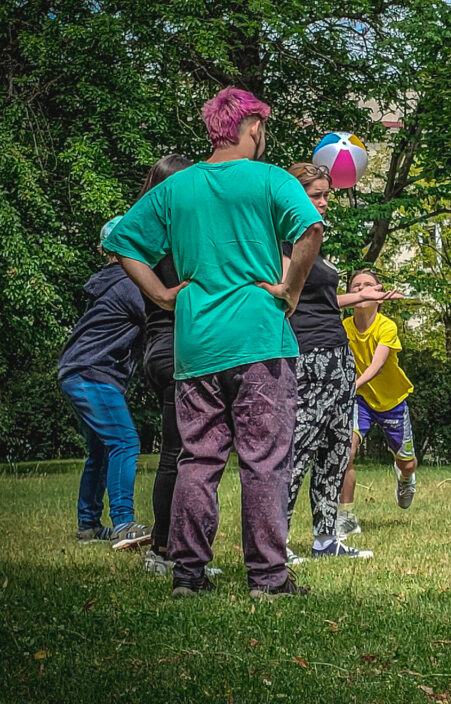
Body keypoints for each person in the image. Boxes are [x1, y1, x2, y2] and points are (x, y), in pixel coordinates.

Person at [104, 87, 324, 599]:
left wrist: (162, 295)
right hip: (259, 341)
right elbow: (311, 230)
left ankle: (187, 577)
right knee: (264, 460)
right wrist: (290, 290)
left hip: (197, 344)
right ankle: (268, 580)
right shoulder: (270, 179)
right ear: (252, 127)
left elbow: (120, 242)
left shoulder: (178, 188)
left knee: (198, 461)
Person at [282, 163, 399, 562]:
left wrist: (370, 298)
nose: (324, 203)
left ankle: (326, 540)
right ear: (294, 195)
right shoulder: (281, 241)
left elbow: (323, 299)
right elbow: (284, 294)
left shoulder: (313, 242)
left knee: (336, 452)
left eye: (327, 195)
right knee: (298, 451)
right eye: (316, 195)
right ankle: (274, 542)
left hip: (337, 357)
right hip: (308, 357)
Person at [59, 217, 150, 550]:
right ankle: (124, 523)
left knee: (100, 450)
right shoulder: (129, 283)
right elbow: (160, 315)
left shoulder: (110, 280)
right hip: (91, 373)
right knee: (124, 442)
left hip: (77, 370)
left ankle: (88, 526)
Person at [132, 155, 197, 576]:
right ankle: (163, 548)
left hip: (162, 348)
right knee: (180, 453)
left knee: (184, 451)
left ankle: (172, 545)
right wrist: (166, 296)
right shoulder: (174, 237)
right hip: (174, 349)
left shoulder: (156, 234)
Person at [342, 270, 418, 514]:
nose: (362, 290)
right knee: (346, 452)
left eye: (368, 285)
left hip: (391, 401)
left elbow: (377, 365)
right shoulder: (342, 328)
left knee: (407, 464)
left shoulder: (387, 326)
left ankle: (406, 480)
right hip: (360, 400)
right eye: (356, 286)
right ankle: (345, 517)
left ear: (380, 295)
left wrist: (352, 384)